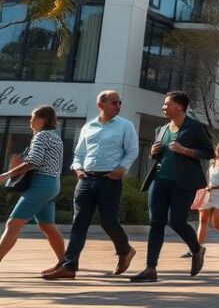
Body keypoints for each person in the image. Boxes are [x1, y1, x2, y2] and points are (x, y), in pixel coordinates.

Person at [45, 90, 138, 281]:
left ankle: (125, 250)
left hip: (110, 180)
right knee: (79, 222)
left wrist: (122, 169)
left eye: (119, 103)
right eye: (114, 103)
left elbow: (132, 151)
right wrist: (78, 169)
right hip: (86, 180)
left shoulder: (125, 126)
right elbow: (79, 154)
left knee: (108, 221)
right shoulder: (88, 127)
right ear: (100, 105)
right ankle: (69, 266)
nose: (118, 106)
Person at [132, 91, 214, 283]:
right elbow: (159, 154)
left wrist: (185, 150)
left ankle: (197, 249)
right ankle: (150, 269)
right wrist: (153, 152)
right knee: (155, 223)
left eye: (167, 104)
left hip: (183, 182)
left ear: (179, 106)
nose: (163, 107)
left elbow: (208, 152)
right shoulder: (161, 129)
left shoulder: (194, 128)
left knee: (176, 222)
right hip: (159, 180)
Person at [0, 106, 65, 272]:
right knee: (47, 226)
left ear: (42, 120)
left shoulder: (41, 136)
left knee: (13, 223)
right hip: (53, 184)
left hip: (41, 185)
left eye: (32, 118)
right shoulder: (56, 137)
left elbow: (33, 162)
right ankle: (65, 264)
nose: (30, 121)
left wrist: (6, 175)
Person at [191, 142, 219, 257]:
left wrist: (216, 187)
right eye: (217, 149)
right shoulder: (212, 162)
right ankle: (198, 249)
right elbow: (208, 179)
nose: (218, 151)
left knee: (216, 222)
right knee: (203, 220)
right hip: (209, 193)